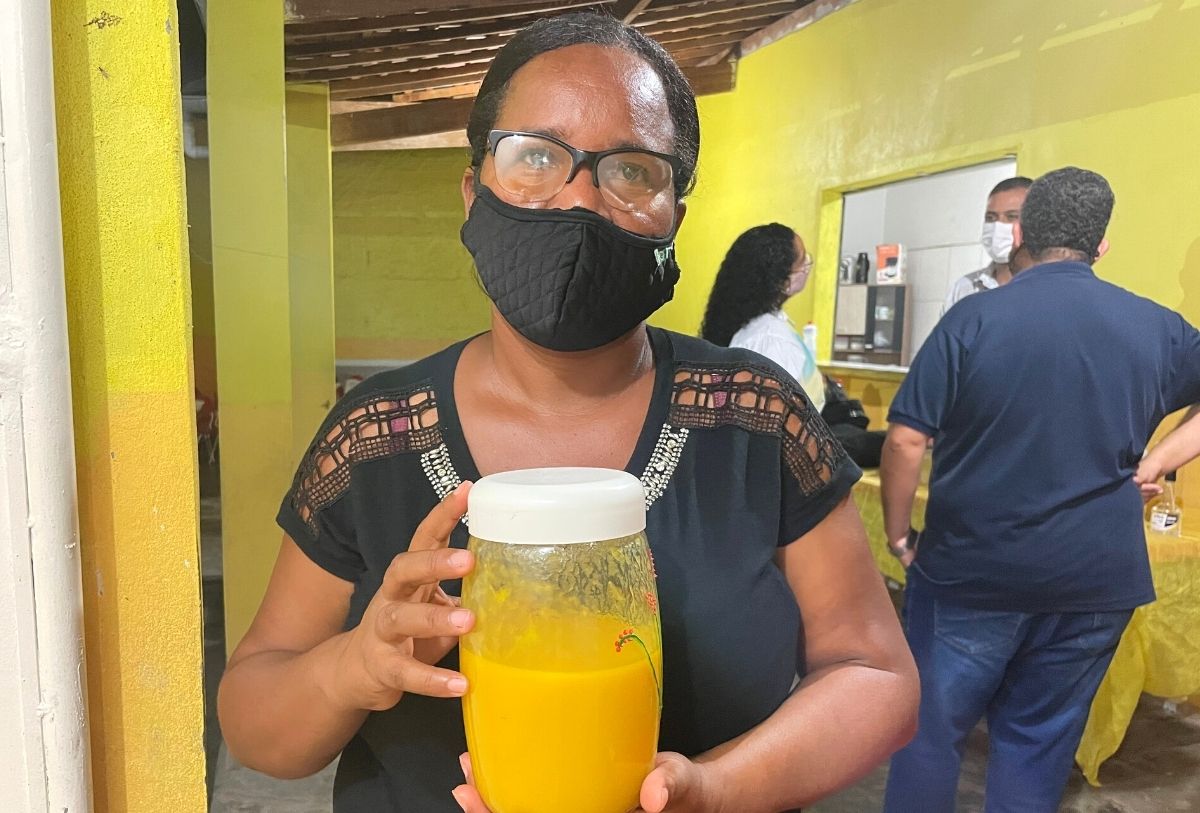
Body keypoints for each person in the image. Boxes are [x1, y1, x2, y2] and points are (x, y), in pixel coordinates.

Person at [217, 13, 917, 813]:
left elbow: (876, 674)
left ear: (674, 216)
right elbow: (256, 724)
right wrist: (355, 665)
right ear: (475, 192)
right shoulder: (372, 438)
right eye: (536, 156)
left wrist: (714, 789)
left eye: (632, 171)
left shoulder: (755, 417)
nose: (580, 199)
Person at [879, 167, 1200, 812]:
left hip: (973, 571)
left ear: (1021, 232)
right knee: (1037, 743)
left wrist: (898, 536)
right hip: (1094, 580)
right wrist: (1158, 461)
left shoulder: (973, 320)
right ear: (1101, 245)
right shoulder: (1157, 328)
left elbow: (907, 441)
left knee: (929, 732)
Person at [699, 224, 826, 411]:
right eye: (802, 260)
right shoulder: (771, 342)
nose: (808, 264)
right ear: (782, 281)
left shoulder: (763, 327)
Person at [942, 176, 1033, 312]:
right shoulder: (965, 287)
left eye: (1012, 216)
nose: (997, 226)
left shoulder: (1049, 287)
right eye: (991, 218)